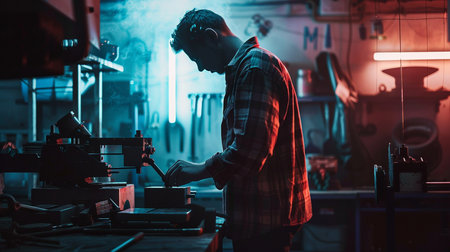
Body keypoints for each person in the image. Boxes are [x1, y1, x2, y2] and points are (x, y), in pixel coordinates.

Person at [165, 9, 312, 252]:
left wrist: (198, 169)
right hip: (259, 219)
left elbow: (250, 154)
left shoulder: (255, 68)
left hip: (266, 222)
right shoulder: (245, 70)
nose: (200, 68)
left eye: (197, 58)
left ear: (212, 37)